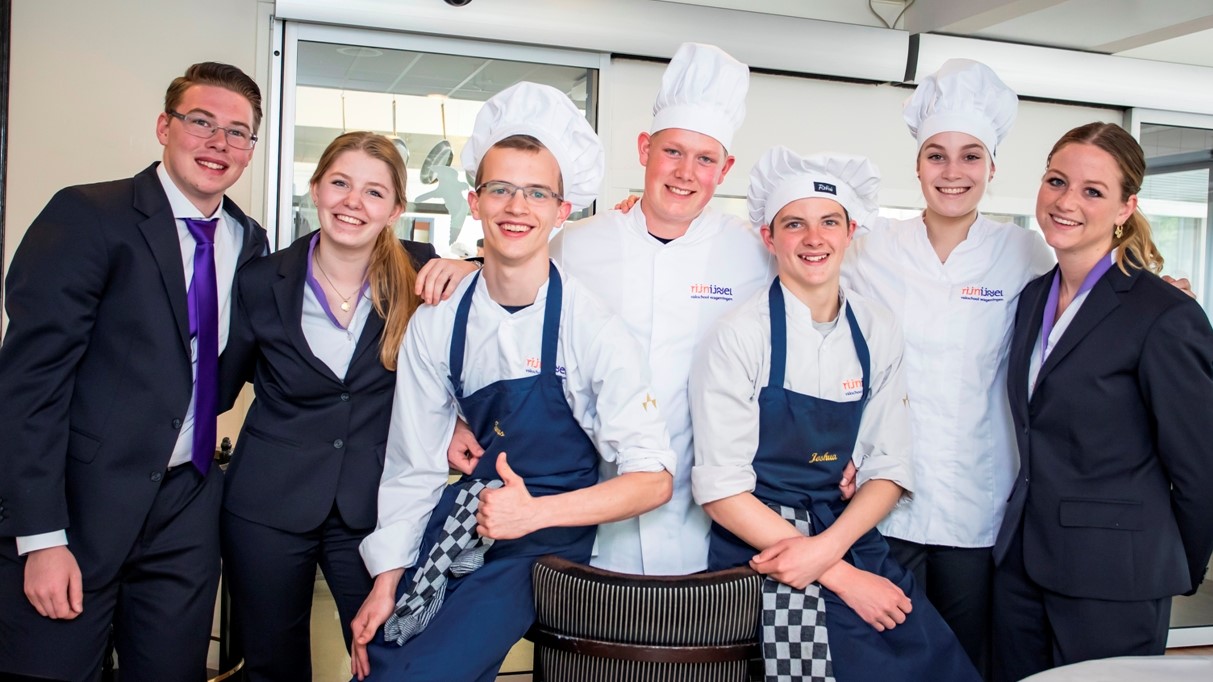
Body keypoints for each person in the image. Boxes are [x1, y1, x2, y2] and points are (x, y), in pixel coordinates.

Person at [348, 82, 676, 682]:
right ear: (474, 202)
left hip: (545, 539)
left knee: (419, 674)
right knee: (382, 655)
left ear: (562, 209)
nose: (516, 207)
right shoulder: (439, 322)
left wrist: (533, 514)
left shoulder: (592, 327)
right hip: (468, 512)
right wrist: (387, 581)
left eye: (536, 192)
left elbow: (654, 480)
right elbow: (413, 467)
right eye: (500, 188)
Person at [0, 62, 268, 681]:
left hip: (186, 505)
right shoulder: (89, 215)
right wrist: (41, 538)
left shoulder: (249, 242)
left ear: (251, 150)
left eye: (237, 132)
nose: (217, 143)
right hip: (79, 506)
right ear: (163, 127)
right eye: (201, 122)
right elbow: (28, 387)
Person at [691, 147, 980, 681]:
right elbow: (721, 490)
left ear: (851, 232)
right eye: (794, 224)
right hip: (760, 545)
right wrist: (843, 578)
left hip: (843, 532)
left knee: (933, 661)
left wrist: (828, 554)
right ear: (769, 238)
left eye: (829, 222)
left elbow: (888, 467)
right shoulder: (740, 335)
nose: (813, 238)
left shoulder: (876, 329)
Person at [493, 42, 771, 577]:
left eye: (705, 158)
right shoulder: (578, 243)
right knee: (587, 644)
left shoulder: (753, 254)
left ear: (725, 168)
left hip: (706, 501)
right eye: (672, 152)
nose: (686, 172)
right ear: (644, 149)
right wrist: (462, 269)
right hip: (588, 495)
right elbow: (508, 284)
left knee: (692, 647)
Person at [218, 131, 471, 681]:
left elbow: (505, 284)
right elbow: (218, 387)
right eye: (340, 183)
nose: (353, 202)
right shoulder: (262, 279)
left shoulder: (422, 272)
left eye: (374, 192)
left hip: (374, 505)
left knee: (385, 657)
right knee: (271, 665)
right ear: (315, 189)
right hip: (267, 505)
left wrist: (470, 265)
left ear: (396, 210)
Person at [841, 59, 1055, 674]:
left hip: (976, 502)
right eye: (937, 155)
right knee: (886, 656)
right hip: (884, 492)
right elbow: (794, 264)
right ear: (917, 165)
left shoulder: (1024, 252)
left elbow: (1086, 306)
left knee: (966, 658)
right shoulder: (871, 248)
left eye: (970, 156)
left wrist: (1157, 284)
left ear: (993, 167)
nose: (952, 172)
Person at [991, 122, 1213, 681]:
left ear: (1125, 207)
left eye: (1093, 191)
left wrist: (1170, 565)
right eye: (1056, 181)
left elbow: (1200, 468)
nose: (1066, 202)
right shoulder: (1032, 298)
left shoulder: (1163, 315)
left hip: (1116, 576)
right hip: (1022, 561)